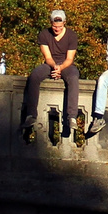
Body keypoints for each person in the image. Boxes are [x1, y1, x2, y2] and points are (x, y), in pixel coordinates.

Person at [22, 9, 80, 141]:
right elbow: (47, 57)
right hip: (50, 64)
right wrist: (55, 66)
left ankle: (72, 116)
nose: (57, 29)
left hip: (66, 64)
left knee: (73, 77)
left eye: (59, 26)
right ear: (51, 23)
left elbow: (70, 59)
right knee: (35, 76)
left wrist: (61, 68)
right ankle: (31, 114)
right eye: (54, 26)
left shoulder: (72, 36)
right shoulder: (44, 34)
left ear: (64, 23)